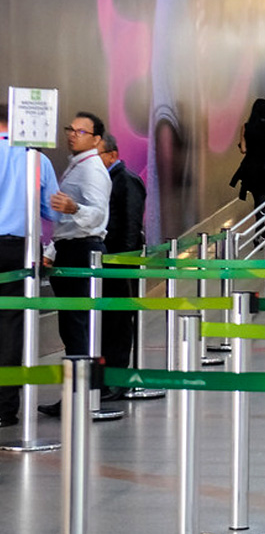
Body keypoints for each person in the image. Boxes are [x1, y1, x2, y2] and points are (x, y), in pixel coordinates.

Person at [39, 112, 112, 417]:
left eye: (81, 131)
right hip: (71, 250)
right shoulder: (77, 166)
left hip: (82, 252)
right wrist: (54, 250)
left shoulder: (92, 170)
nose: (73, 134)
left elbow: (97, 215)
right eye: (71, 129)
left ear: (96, 139)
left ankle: (79, 395)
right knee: (72, 326)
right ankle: (76, 392)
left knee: (78, 325)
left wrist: (74, 207)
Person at [0, 103, 59, 427]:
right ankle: (4, 408)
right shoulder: (38, 159)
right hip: (19, 251)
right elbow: (54, 212)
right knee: (11, 327)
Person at [98, 133, 146, 399]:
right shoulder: (108, 181)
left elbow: (130, 226)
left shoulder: (125, 181)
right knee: (108, 323)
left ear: (112, 155)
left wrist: (123, 263)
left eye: (98, 155)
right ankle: (106, 379)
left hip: (119, 263)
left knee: (118, 323)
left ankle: (118, 380)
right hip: (108, 262)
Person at [230, 99, 265, 236]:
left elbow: (243, 149)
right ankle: (261, 227)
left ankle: (260, 226)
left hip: (251, 168)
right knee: (264, 197)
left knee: (257, 198)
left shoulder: (246, 127)